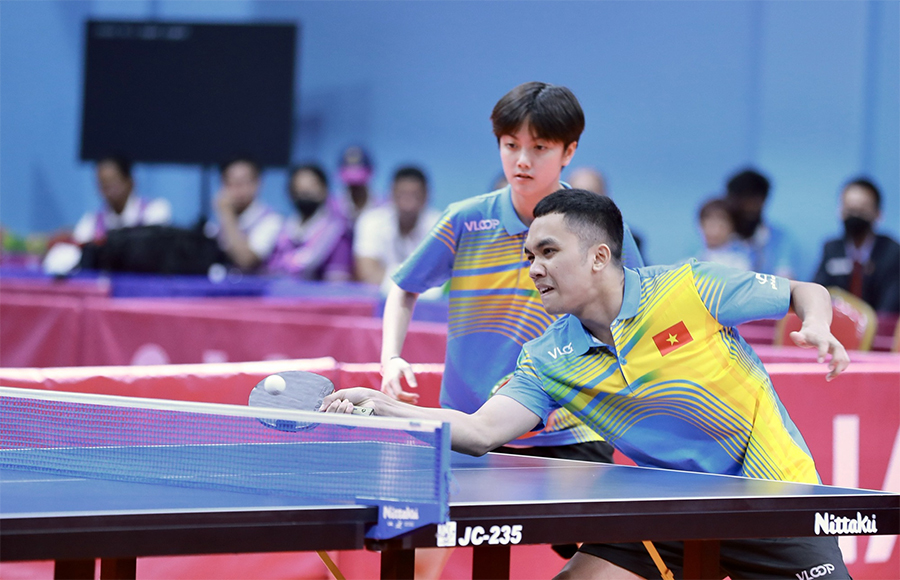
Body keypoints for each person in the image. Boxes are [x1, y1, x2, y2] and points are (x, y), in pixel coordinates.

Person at [324, 189, 851, 580]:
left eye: (548, 252)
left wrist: (818, 325)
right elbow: (482, 432)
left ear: (599, 257)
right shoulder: (549, 357)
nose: (534, 269)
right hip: (671, 509)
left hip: (775, 499)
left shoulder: (689, 288)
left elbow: (805, 291)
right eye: (529, 256)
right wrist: (384, 407)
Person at [813, 177, 900, 313]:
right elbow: (817, 293)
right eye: (849, 210)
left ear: (877, 214)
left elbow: (890, 304)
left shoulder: (891, 251)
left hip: (877, 323)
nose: (855, 216)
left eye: (861, 210)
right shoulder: (832, 249)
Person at [353, 165, 441, 295]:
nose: (408, 202)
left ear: (426, 195)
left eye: (415, 195)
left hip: (428, 302)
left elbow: (442, 277)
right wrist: (419, 282)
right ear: (391, 193)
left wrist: (387, 277)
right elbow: (367, 274)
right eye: (402, 194)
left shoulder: (441, 225)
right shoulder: (371, 221)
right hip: (379, 300)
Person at [266, 163, 353, 281]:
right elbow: (271, 270)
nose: (305, 191)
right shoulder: (282, 229)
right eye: (299, 187)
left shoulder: (337, 234)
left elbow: (337, 282)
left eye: (311, 186)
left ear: (324, 190)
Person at [206, 157, 283, 272]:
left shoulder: (271, 220)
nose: (237, 189)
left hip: (258, 283)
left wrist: (227, 213)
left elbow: (245, 260)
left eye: (242, 182)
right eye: (230, 182)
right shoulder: (216, 220)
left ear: (257, 183)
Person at [72, 156, 172, 244]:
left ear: (130, 181)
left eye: (113, 183)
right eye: (103, 184)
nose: (109, 190)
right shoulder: (91, 222)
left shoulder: (154, 210)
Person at [724, 168, 798, 278]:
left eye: (753, 200)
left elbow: (786, 279)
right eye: (741, 201)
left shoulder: (780, 239)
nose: (748, 207)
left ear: (763, 200)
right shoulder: (716, 239)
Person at [695, 196, 752, 270]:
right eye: (710, 225)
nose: (715, 232)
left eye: (721, 226)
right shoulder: (693, 261)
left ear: (732, 228)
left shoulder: (739, 263)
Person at [337, 145, 377, 220]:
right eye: (351, 184)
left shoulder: (383, 208)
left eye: (359, 183)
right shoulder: (335, 209)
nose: (355, 189)